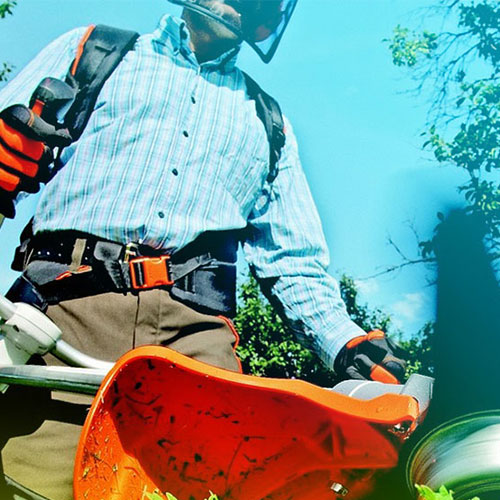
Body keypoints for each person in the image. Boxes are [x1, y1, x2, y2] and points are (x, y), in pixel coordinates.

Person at [0, 1, 407, 499]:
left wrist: (347, 342)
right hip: (67, 312)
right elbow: (11, 134)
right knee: (30, 480)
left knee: (207, 486)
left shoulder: (268, 121)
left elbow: (294, 262)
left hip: (195, 342)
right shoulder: (93, 51)